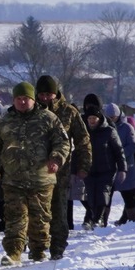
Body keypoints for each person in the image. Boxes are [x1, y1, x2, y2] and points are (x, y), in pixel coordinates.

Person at [0, 81, 68, 267]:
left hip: (41, 180)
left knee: (40, 219)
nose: (22, 102)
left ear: (33, 99)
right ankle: (14, 252)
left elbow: (62, 142)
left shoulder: (48, 118)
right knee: (14, 218)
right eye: (18, 99)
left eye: (26, 98)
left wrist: (56, 158)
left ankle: (38, 251)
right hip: (13, 180)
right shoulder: (5, 121)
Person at [33, 75, 89, 259]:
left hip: (60, 171)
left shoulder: (68, 112)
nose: (44, 98)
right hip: (34, 171)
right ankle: (38, 247)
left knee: (58, 210)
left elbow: (83, 140)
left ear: (55, 93)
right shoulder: (32, 111)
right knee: (37, 211)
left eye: (48, 94)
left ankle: (57, 248)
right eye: (41, 94)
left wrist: (84, 165)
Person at [81, 99, 126, 228]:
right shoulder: (83, 133)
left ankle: (98, 219)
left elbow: (119, 151)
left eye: (94, 118)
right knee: (90, 196)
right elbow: (77, 152)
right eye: (90, 118)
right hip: (89, 169)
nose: (92, 121)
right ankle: (93, 216)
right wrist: (75, 170)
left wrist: (122, 169)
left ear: (99, 118)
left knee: (103, 194)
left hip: (106, 169)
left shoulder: (109, 131)